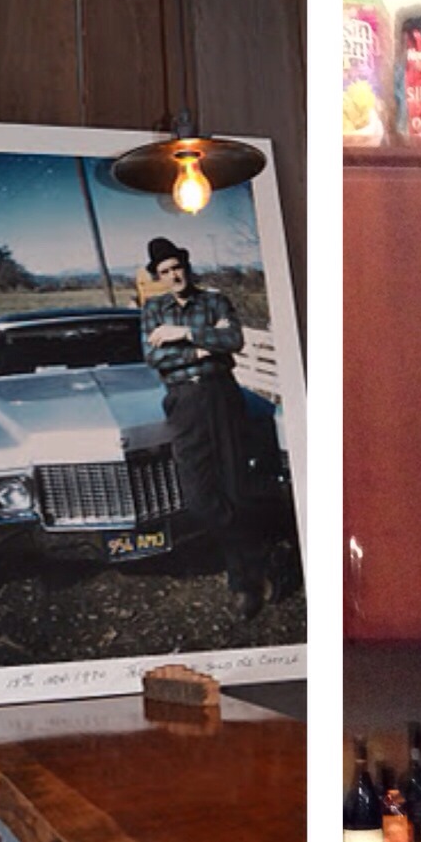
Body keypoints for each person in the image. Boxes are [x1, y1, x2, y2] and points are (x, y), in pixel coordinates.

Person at [139, 236, 271, 619]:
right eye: (165, 271)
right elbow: (154, 358)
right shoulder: (153, 309)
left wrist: (184, 335)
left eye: (177, 267)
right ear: (159, 277)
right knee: (199, 496)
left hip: (222, 396)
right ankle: (254, 548)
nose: (174, 275)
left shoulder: (214, 301)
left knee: (235, 488)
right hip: (184, 404)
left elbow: (234, 340)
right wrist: (205, 349)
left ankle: (243, 584)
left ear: (186, 266)